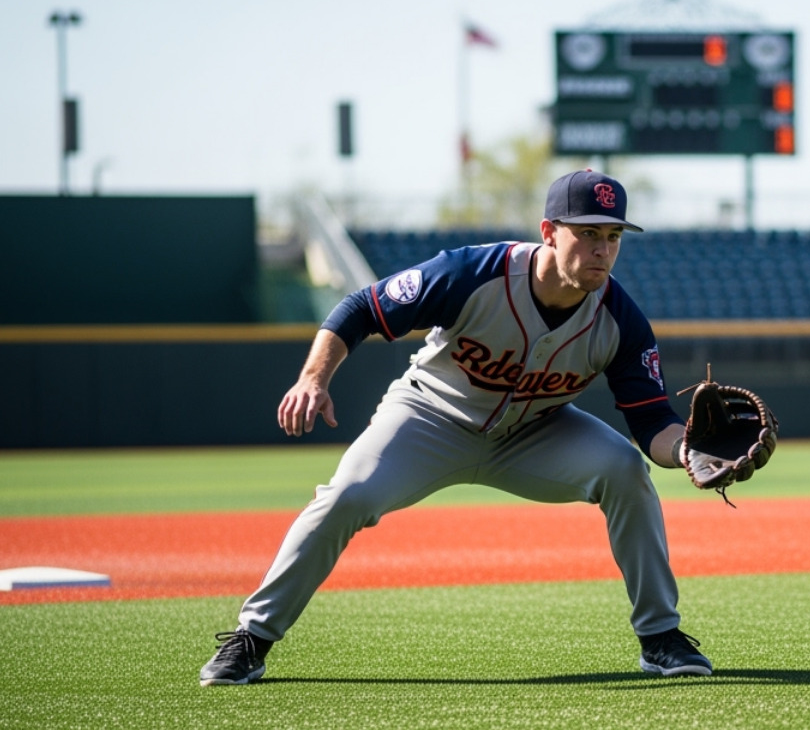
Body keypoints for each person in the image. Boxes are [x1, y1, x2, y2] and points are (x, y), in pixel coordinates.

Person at [200, 171, 712, 685]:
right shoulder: (473, 272)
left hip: (535, 432)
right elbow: (360, 309)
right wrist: (313, 378)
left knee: (623, 468)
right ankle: (253, 637)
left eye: (613, 236)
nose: (602, 249)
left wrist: (690, 451)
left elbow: (651, 422)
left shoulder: (621, 318)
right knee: (346, 497)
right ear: (550, 231)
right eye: (588, 233)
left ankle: (660, 636)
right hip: (430, 416)